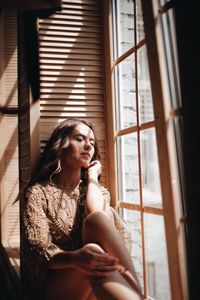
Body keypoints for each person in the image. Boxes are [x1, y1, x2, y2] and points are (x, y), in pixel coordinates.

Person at [22, 118, 144, 300]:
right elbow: (37, 250)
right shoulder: (38, 193)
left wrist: (93, 177)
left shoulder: (95, 192)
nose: (88, 146)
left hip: (94, 278)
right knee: (93, 252)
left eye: (92, 143)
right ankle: (139, 295)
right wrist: (75, 259)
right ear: (62, 144)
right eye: (80, 139)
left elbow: (96, 215)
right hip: (54, 282)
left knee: (96, 229)